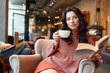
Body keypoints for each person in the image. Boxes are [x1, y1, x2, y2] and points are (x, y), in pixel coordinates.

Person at [34, 7, 101, 73]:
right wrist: (56, 42)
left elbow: (98, 60)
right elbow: (48, 53)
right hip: (52, 65)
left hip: (69, 70)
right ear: (66, 22)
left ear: (80, 19)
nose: (71, 21)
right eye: (68, 19)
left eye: (75, 17)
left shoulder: (88, 38)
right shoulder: (61, 34)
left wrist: (94, 59)